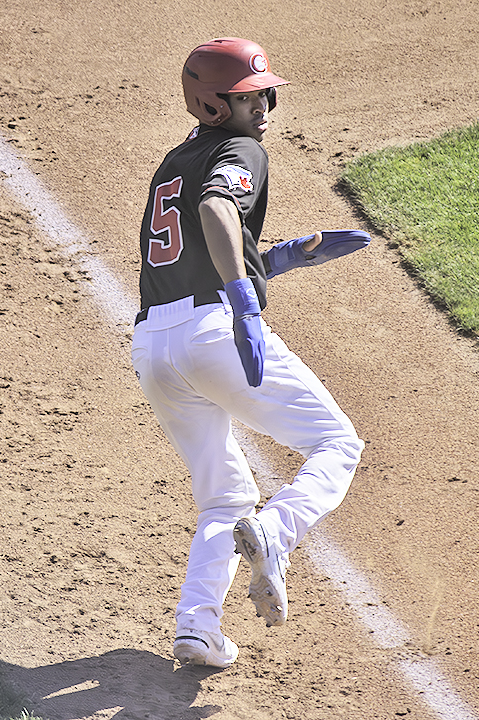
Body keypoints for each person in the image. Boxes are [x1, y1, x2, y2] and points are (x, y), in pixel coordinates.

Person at [131, 37, 365, 669]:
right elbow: (215, 208)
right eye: (250, 95)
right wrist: (244, 296)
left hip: (154, 344)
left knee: (223, 498)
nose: (265, 103)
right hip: (213, 333)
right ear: (213, 103)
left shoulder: (175, 159)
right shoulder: (242, 151)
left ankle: (198, 626)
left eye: (267, 91)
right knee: (337, 443)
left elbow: (192, 244)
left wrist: (279, 257)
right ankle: (279, 532)